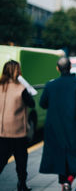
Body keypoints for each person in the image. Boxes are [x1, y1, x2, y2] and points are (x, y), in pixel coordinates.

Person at [39, 57, 76, 191]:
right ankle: (69, 180)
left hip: (55, 127)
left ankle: (64, 183)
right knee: (75, 156)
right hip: (74, 126)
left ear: (57, 68)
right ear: (70, 68)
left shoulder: (50, 85)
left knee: (59, 156)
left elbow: (42, 104)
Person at [0, 60, 35, 191]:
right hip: (17, 131)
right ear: (16, 71)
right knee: (21, 160)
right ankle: (22, 184)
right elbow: (31, 104)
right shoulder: (21, 88)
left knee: (1, 158)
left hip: (1, 131)